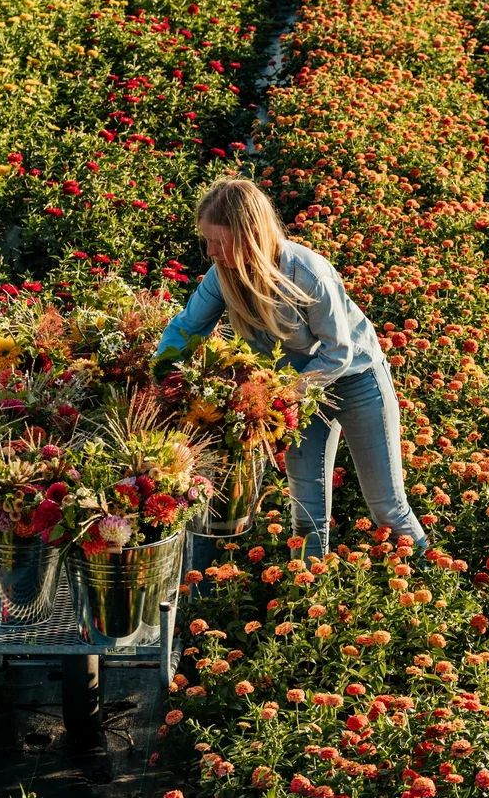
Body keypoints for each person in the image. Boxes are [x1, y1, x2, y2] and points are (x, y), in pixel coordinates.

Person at [156, 176, 427, 556]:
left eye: (218, 241)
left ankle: (429, 580)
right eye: (207, 240)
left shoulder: (307, 273)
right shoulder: (224, 275)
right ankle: (312, 602)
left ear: (250, 234)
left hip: (355, 380)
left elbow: (338, 351)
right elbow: (187, 326)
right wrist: (158, 373)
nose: (211, 251)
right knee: (306, 511)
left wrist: (284, 395)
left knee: (387, 506)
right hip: (297, 394)